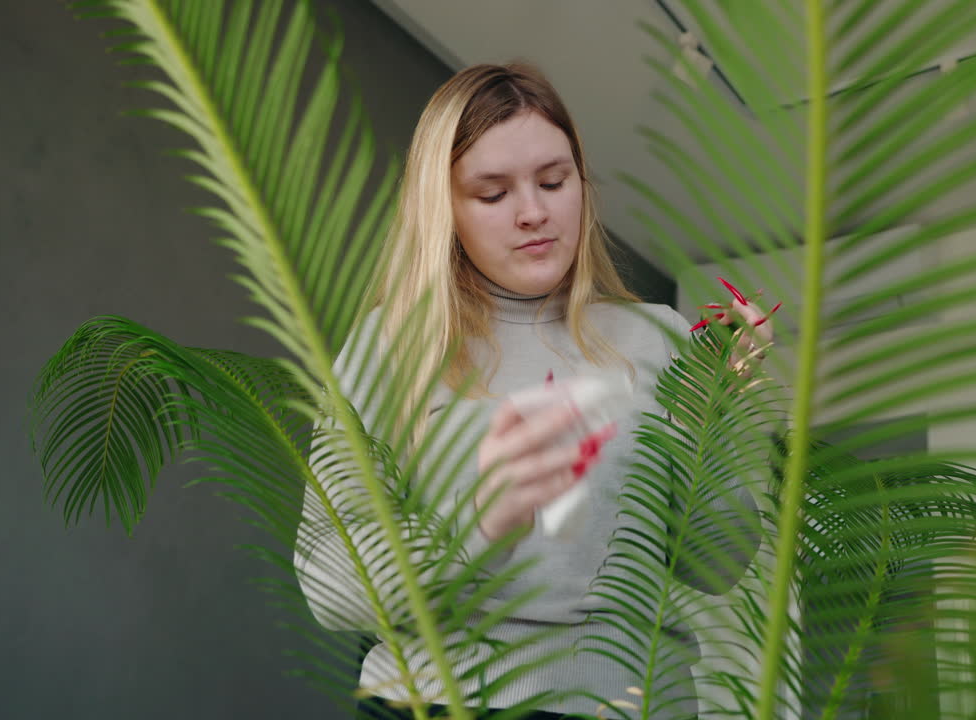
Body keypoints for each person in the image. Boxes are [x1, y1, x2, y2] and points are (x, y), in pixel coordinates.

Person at [294, 62, 773, 720]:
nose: (534, 213)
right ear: (445, 209)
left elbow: (718, 564)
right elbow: (328, 585)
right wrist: (482, 523)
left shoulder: (655, 338)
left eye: (554, 180)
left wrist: (713, 413)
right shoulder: (391, 349)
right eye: (493, 194)